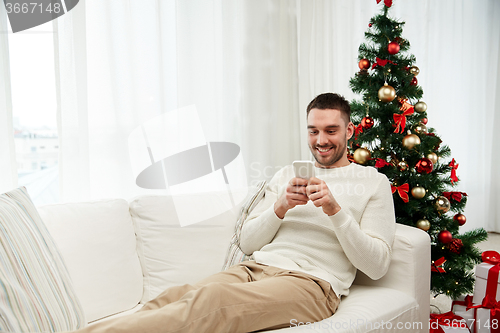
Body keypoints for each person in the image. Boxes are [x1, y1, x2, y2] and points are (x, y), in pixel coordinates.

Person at [72, 93, 395, 333]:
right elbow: (249, 242)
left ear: (350, 131)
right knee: (178, 295)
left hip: (312, 285)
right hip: (257, 267)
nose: (321, 140)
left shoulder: (372, 182)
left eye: (330, 130)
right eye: (313, 131)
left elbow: (377, 265)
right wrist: (280, 207)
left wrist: (334, 210)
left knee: (212, 301)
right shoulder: (286, 174)